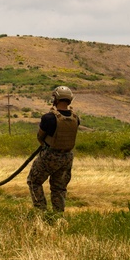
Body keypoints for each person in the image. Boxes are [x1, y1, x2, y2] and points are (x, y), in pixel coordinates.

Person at [27, 85, 80, 213]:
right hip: (67, 157)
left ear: (55, 99)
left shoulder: (49, 118)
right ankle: (58, 215)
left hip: (50, 155)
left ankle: (41, 212)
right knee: (59, 188)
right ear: (69, 100)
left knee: (34, 181)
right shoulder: (75, 118)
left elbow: (40, 137)